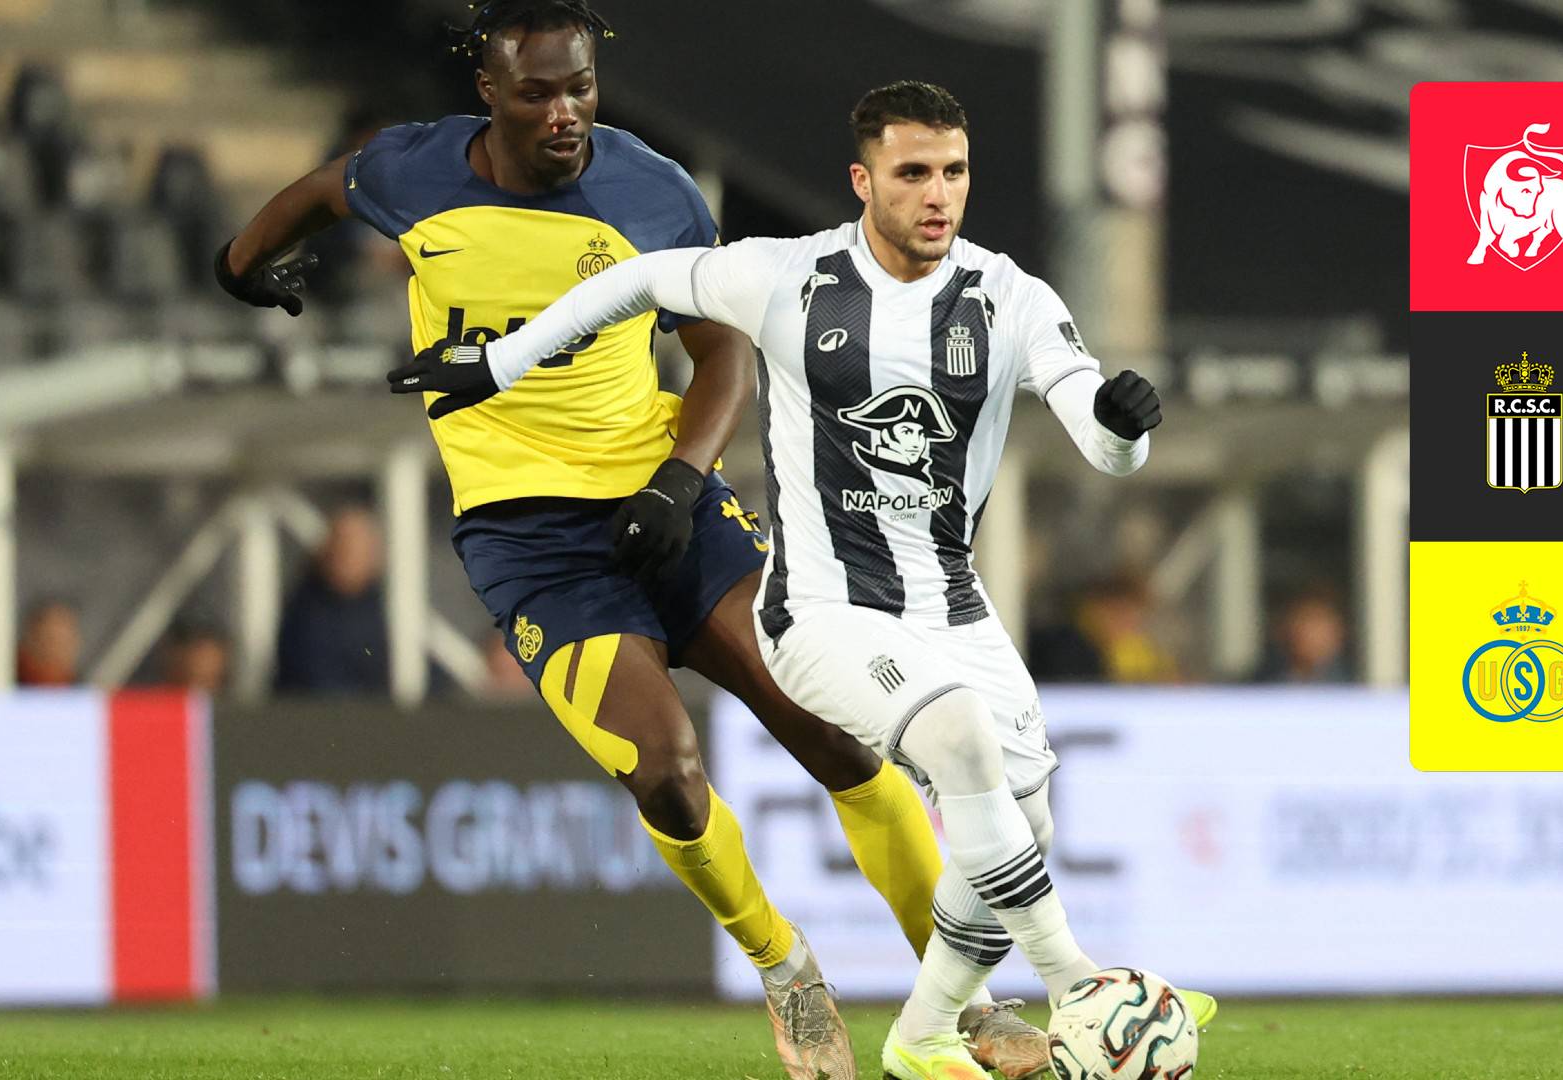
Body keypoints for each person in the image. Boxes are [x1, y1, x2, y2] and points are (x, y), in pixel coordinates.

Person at [212, 7, 1018, 1076]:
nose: (565, 113)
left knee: (835, 734)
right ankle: (783, 967)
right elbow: (326, 188)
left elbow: (724, 354)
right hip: (530, 546)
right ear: (490, 92)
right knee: (668, 773)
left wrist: (681, 482)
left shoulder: (653, 190)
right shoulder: (413, 170)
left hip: (668, 506)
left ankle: (969, 1008)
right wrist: (242, 263)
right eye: (538, 93)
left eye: (581, 88)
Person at [415, 79, 1219, 1080]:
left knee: (1026, 821)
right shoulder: (788, 277)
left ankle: (925, 1033)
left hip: (952, 605)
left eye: (954, 172)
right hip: (822, 606)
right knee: (952, 738)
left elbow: (1100, 440)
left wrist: (1126, 429)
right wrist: (503, 364)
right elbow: (636, 281)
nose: (938, 193)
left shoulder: (1011, 298)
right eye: (912, 172)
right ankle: (1077, 984)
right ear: (863, 181)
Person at [274, 506, 392, 694]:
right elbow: (313, 680)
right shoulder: (305, 616)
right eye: (341, 546)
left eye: (354, 549)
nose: (344, 556)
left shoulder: (381, 610)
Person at [15, 599, 81, 686]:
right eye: (51, 639)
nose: (57, 651)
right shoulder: (7, 678)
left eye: (65, 641)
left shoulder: (78, 687)